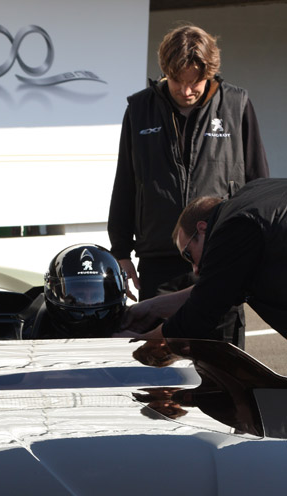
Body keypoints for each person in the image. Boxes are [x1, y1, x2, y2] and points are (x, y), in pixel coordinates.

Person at [107, 24, 269, 346]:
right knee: (161, 365)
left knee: (221, 365)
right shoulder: (139, 110)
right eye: (177, 80)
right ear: (166, 71)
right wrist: (120, 251)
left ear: (209, 72)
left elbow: (258, 184)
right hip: (158, 264)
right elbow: (126, 182)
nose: (186, 90)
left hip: (220, 258)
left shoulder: (236, 105)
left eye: (194, 81)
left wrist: (259, 252)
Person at [117, 178, 287, 343]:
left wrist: (142, 341)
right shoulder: (253, 196)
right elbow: (212, 289)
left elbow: (200, 313)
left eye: (189, 255)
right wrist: (152, 307)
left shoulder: (232, 227)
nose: (195, 269)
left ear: (202, 228)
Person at [0, 244, 127, 340]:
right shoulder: (24, 330)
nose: (87, 302)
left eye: (96, 294)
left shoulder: (139, 327)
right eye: (77, 295)